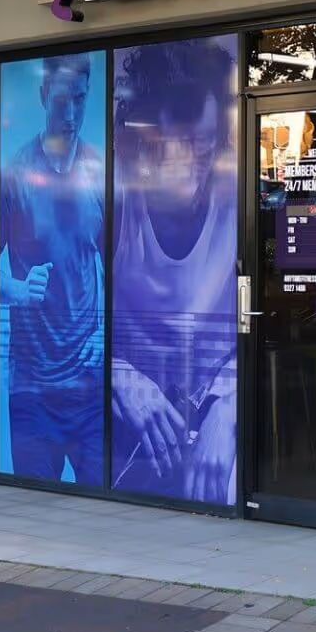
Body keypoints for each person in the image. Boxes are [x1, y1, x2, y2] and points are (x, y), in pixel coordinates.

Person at [110, 38, 238, 503]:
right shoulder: (112, 203)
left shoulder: (239, 201)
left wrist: (232, 407)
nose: (184, 160)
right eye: (167, 143)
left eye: (200, 145)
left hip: (214, 417)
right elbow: (59, 324)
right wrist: (116, 374)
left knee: (233, 489)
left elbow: (268, 324)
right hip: (130, 430)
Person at [0, 54, 106, 485]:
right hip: (32, 387)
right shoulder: (15, 176)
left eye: (80, 99)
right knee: (34, 508)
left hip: (89, 384)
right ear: (44, 96)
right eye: (62, 100)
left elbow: (121, 266)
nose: (72, 114)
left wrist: (103, 330)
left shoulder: (100, 172)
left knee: (101, 510)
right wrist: (17, 290)